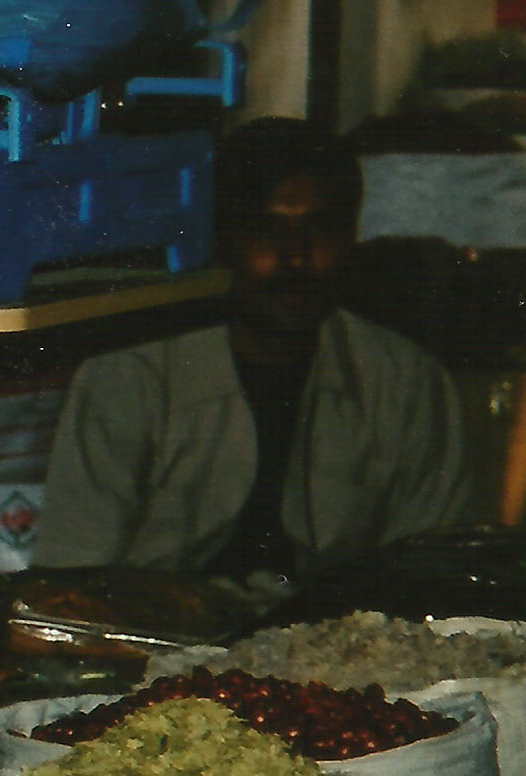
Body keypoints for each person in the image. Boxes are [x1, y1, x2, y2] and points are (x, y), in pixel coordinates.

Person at [35, 117, 474, 576]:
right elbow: (72, 582)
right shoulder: (131, 374)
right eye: (268, 231)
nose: (296, 257)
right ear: (223, 240)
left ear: (351, 240)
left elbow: (430, 581)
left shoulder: (406, 386)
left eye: (320, 230)